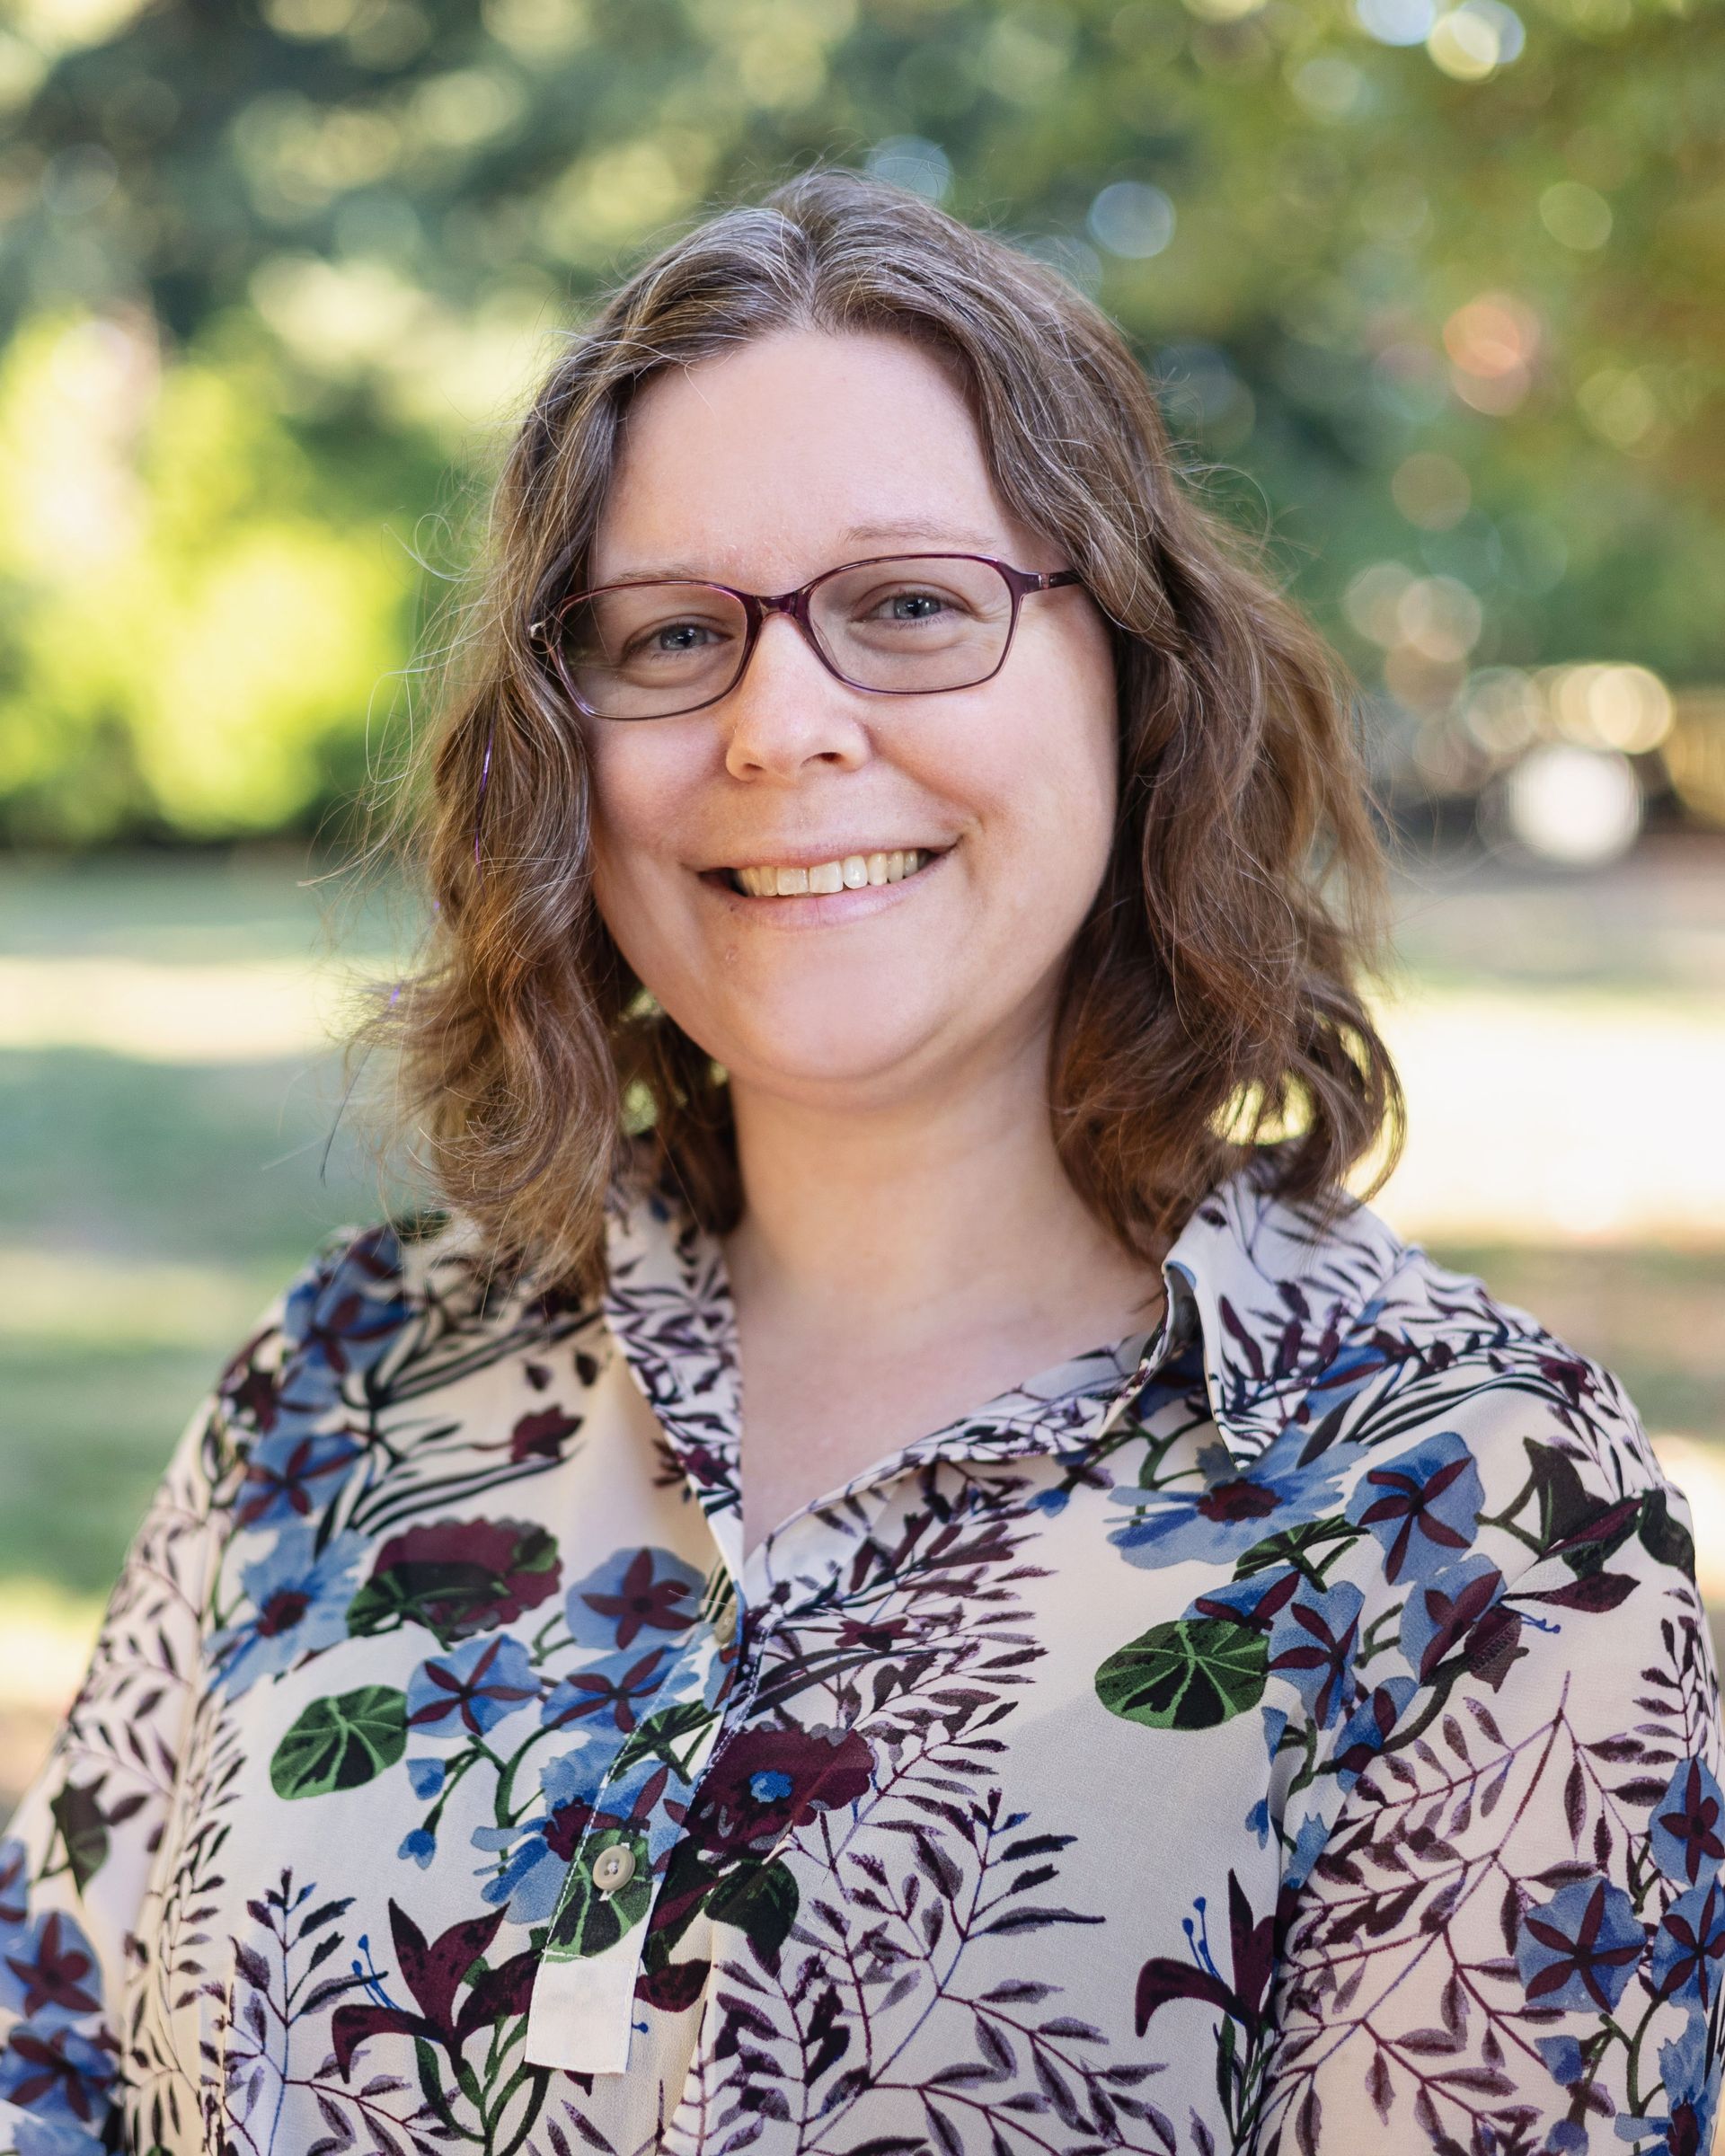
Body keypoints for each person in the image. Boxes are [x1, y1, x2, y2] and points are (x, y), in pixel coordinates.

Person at [3, 167, 1719, 2156]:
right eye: (669, 635)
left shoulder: (1481, 1522)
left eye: (910, 606)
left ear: (1139, 685)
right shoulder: (344, 1383)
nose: (779, 723)